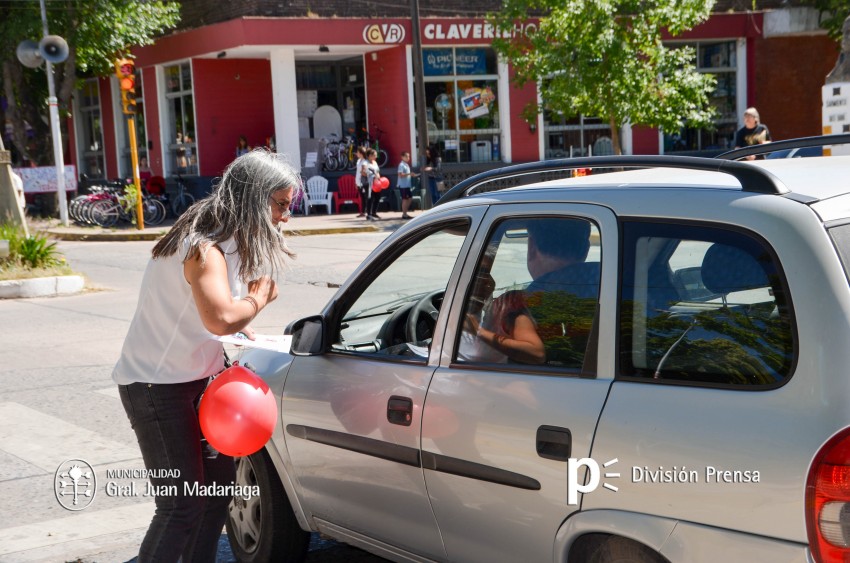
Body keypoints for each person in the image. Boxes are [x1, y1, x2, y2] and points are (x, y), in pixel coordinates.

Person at [112, 149, 299, 563]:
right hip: (157, 387)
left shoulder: (221, 238)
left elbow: (205, 314)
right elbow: (219, 319)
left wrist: (240, 319)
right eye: (282, 205)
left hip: (197, 382)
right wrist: (254, 300)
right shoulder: (205, 247)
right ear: (254, 198)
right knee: (181, 506)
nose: (286, 216)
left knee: (215, 494)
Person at [459, 246, 545, 364]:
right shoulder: (455, 304)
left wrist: (478, 331)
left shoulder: (505, 306)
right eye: (478, 274)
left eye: (486, 273)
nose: (485, 281)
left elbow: (537, 354)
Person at [397, 151, 418, 219]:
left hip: (407, 185)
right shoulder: (401, 165)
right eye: (406, 156)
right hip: (403, 185)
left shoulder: (406, 164)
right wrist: (409, 174)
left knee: (410, 198)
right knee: (405, 199)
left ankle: (405, 212)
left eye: (409, 156)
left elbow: (406, 174)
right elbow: (400, 175)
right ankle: (404, 214)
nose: (408, 158)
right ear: (402, 157)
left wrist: (412, 175)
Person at [364, 148, 382, 220]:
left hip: (377, 182)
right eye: (374, 155)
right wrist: (373, 176)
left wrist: (378, 176)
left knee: (377, 197)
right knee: (370, 198)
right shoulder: (365, 163)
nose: (376, 157)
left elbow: (377, 171)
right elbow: (364, 172)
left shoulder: (375, 162)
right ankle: (369, 214)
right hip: (369, 183)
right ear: (369, 155)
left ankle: (374, 212)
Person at [354, 146, 368, 218]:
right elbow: (357, 172)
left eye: (358, 152)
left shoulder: (365, 162)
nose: (356, 153)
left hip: (363, 182)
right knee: (362, 197)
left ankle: (364, 211)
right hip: (358, 181)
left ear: (361, 153)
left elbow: (363, 172)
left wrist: (362, 171)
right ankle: (363, 211)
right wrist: (356, 182)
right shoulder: (358, 161)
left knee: (364, 197)